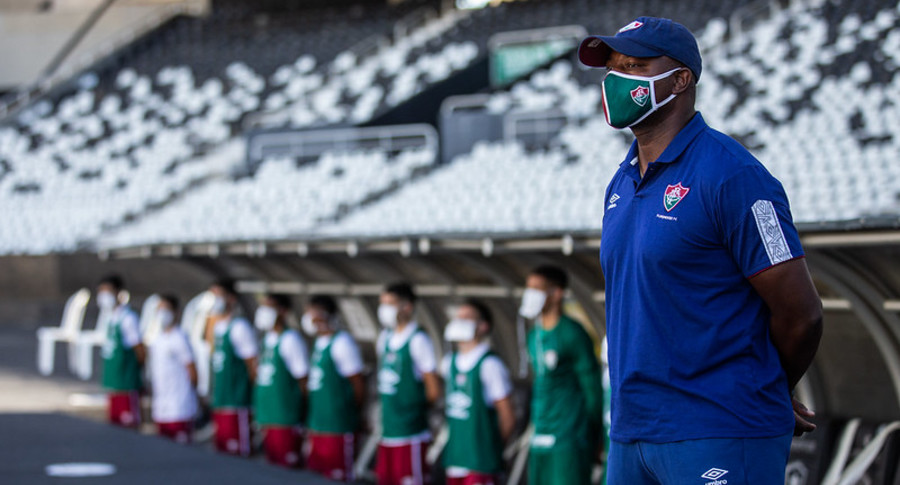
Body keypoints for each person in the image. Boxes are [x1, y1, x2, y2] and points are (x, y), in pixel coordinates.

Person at [579, 16, 823, 483]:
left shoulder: (735, 175)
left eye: (634, 66)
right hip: (631, 432)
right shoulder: (620, 182)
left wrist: (767, 387)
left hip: (718, 429)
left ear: (680, 80)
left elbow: (802, 314)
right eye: (612, 69)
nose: (615, 81)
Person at [520, 265, 603, 485]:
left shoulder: (573, 333)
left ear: (556, 293)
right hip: (540, 433)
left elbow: (592, 388)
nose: (530, 294)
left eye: (537, 288)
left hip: (568, 437)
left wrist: (594, 434)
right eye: (528, 288)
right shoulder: (533, 335)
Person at [441, 299, 515, 485]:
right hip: (455, 459)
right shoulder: (448, 362)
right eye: (458, 317)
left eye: (466, 317)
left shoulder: (490, 364)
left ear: (483, 326)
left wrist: (491, 449)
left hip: (481, 463)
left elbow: (507, 416)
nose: (459, 321)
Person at [375, 282, 441, 485]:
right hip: (388, 429)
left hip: (410, 433)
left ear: (407, 307)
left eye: (390, 303)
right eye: (383, 303)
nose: (384, 309)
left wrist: (413, 411)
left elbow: (433, 389)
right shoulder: (384, 337)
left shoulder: (418, 339)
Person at [303, 294, 366, 482]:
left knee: (338, 477)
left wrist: (352, 413)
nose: (309, 317)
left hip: (338, 426)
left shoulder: (342, 342)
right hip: (318, 424)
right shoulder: (319, 342)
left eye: (313, 312)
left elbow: (357, 383)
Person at [254, 293, 309, 468]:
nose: (264, 311)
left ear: (283, 311)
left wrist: (301, 411)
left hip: (285, 417)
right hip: (267, 416)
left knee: (286, 470)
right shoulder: (267, 339)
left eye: (269, 307)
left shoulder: (290, 339)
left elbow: (303, 379)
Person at [207, 279, 258, 457]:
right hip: (220, 401)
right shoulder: (218, 327)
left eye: (219, 295)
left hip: (236, 404)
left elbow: (252, 365)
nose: (215, 301)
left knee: (238, 457)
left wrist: (248, 395)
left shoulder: (239, 327)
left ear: (231, 298)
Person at [149, 294, 197, 444]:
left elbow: (192, 371)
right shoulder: (157, 339)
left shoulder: (180, 338)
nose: (162, 314)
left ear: (176, 312)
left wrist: (192, 397)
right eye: (159, 310)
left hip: (179, 407)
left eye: (166, 309)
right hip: (161, 408)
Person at [99, 274, 145, 429]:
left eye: (108, 291)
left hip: (126, 384)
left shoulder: (128, 318)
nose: (104, 295)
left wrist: (136, 375)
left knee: (130, 427)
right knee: (115, 430)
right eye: (101, 291)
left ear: (118, 292)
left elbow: (139, 349)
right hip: (113, 384)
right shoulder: (110, 317)